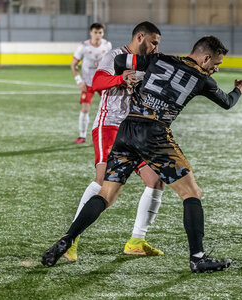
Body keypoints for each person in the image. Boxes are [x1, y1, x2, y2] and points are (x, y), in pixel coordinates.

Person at [42, 36, 242, 273]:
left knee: (106, 194)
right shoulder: (203, 79)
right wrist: (239, 89)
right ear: (205, 58)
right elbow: (227, 102)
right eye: (216, 63)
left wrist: (126, 78)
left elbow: (121, 60)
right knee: (191, 193)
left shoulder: (157, 58)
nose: (216, 68)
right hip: (154, 133)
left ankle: (68, 238)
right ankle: (197, 257)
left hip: (127, 129)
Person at [63, 22, 165, 263]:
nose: (155, 48)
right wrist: (120, 78)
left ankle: (136, 241)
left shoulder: (148, 63)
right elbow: (97, 82)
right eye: (153, 42)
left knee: (155, 180)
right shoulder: (116, 55)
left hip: (134, 129)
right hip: (109, 125)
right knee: (102, 182)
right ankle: (71, 239)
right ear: (140, 37)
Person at [71, 23, 112, 144]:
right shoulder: (83, 46)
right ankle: (82, 136)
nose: (98, 35)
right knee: (84, 108)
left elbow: (111, 62)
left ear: (103, 33)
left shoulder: (107, 45)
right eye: (95, 32)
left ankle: (109, 136)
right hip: (88, 83)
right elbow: (73, 65)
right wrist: (79, 81)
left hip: (102, 83)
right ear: (91, 33)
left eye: (100, 33)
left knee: (110, 109)